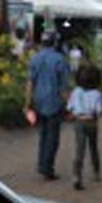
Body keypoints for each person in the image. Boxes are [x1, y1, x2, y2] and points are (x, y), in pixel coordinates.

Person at [25, 30, 70, 180]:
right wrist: (70, 104)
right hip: (54, 103)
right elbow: (63, 87)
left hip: (38, 102)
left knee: (43, 135)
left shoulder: (34, 58)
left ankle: (42, 164)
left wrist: (27, 103)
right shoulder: (60, 60)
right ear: (55, 42)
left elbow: (30, 83)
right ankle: (47, 168)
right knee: (52, 137)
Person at [67, 62, 102, 191]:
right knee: (93, 147)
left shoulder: (75, 92)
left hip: (79, 122)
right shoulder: (97, 94)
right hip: (91, 122)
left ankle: (77, 175)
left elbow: (70, 108)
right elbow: (98, 111)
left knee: (79, 150)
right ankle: (96, 172)